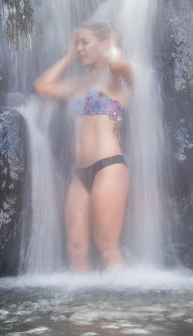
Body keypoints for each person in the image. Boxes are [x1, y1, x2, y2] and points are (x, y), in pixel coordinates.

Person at [33, 21, 133, 272]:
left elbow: (119, 64)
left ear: (103, 44)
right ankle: (84, 309)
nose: (79, 49)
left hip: (108, 167)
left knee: (107, 246)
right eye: (76, 43)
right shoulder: (79, 85)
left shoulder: (119, 81)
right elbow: (42, 86)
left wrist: (111, 43)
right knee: (75, 250)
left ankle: (127, 308)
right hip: (80, 172)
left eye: (85, 42)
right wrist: (67, 57)